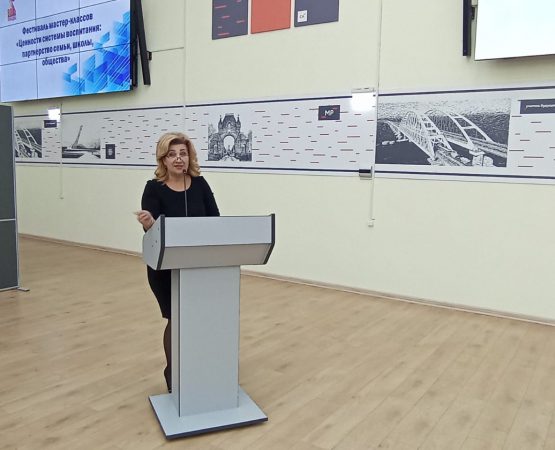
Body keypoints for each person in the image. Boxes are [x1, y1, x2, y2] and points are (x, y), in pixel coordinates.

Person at [135, 132, 220, 391]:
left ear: (190, 156)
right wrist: (149, 224)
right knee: (177, 317)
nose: (178, 159)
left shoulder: (200, 184)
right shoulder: (153, 188)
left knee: (196, 317)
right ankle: (173, 374)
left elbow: (215, 219)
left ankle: (196, 368)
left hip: (197, 264)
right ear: (163, 159)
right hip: (165, 268)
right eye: (172, 155)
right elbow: (152, 231)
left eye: (183, 153)